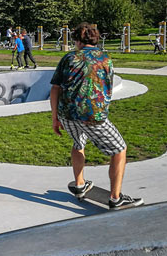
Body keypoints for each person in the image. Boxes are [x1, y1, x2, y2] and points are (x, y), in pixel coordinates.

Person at [50, 22, 143, 210]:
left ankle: (79, 184)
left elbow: (55, 88)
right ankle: (116, 198)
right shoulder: (105, 58)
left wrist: (55, 117)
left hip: (67, 114)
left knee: (78, 142)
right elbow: (107, 87)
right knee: (119, 150)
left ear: (77, 40)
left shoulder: (69, 58)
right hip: (92, 115)